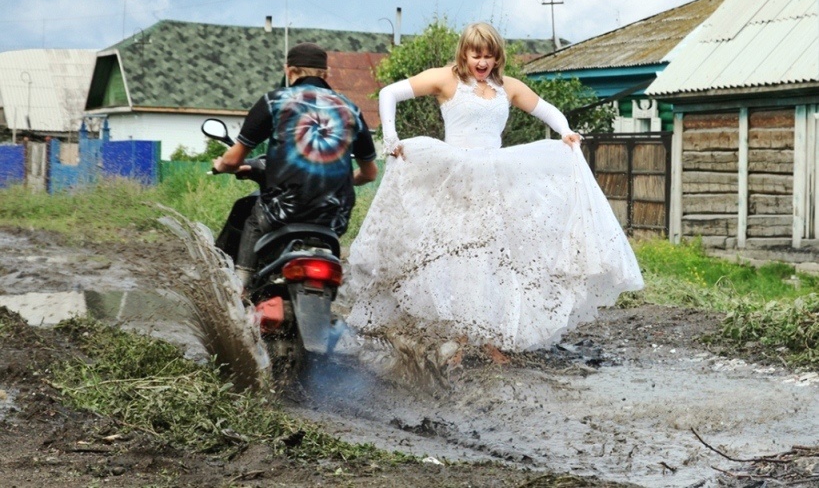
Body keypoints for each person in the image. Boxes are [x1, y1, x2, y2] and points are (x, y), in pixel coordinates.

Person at [345, 22, 643, 355]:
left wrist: (566, 131)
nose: (482, 62)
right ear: (465, 54)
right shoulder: (447, 79)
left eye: (489, 56)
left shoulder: (508, 87)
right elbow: (389, 93)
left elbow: (545, 109)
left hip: (494, 182)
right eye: (476, 55)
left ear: (497, 56)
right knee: (457, 256)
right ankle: (457, 341)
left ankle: (491, 341)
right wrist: (391, 137)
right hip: (455, 180)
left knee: (494, 258)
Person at [214, 42, 378, 286]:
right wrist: (338, 182)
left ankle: (241, 287)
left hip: (284, 212)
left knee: (253, 217)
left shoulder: (275, 101)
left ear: (288, 71)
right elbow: (370, 173)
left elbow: (233, 159)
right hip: (334, 216)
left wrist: (221, 165)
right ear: (325, 74)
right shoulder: (350, 109)